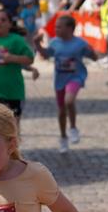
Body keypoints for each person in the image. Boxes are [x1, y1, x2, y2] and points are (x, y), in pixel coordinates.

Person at [34, 13, 98, 153]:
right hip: (60, 80)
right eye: (55, 27)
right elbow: (45, 55)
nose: (56, 30)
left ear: (70, 29)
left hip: (76, 77)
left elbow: (94, 57)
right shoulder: (55, 43)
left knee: (69, 101)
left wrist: (92, 52)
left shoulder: (80, 43)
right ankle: (63, 137)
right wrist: (37, 44)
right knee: (62, 110)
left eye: (59, 27)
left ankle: (73, 128)